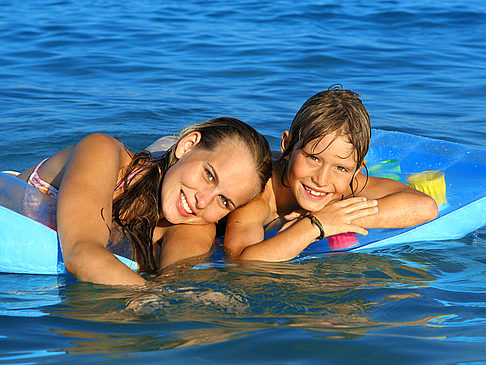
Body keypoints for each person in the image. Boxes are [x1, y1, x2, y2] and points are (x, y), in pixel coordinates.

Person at [16, 117, 272, 285]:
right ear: (187, 145)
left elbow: (175, 285)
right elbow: (81, 254)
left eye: (224, 201)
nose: (203, 201)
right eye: (208, 175)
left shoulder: (195, 224)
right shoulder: (103, 153)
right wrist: (149, 299)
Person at [223, 86, 439, 262]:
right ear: (286, 146)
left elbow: (424, 206)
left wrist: (335, 215)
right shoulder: (259, 190)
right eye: (313, 158)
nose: (322, 180)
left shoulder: (346, 183)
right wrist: (316, 225)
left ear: (356, 170)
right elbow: (242, 261)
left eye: (341, 168)